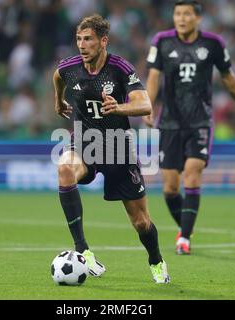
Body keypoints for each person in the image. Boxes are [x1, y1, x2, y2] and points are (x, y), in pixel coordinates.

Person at [53, 14, 170, 283]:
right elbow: (57, 76)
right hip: (84, 142)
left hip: (118, 148)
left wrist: (119, 107)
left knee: (141, 222)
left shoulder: (120, 68)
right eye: (79, 39)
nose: (82, 45)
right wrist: (58, 102)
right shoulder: (70, 67)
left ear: (103, 41)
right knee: (64, 169)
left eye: (88, 40)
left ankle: (155, 259)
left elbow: (145, 105)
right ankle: (83, 250)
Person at [144, 0, 235, 255]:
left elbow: (228, 77)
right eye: (177, 13)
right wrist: (148, 105)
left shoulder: (213, 44)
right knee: (170, 188)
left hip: (200, 121)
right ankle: (187, 227)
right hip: (170, 123)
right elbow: (153, 77)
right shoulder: (161, 41)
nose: (181, 18)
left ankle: (184, 238)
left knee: (193, 173)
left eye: (186, 14)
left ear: (198, 18)